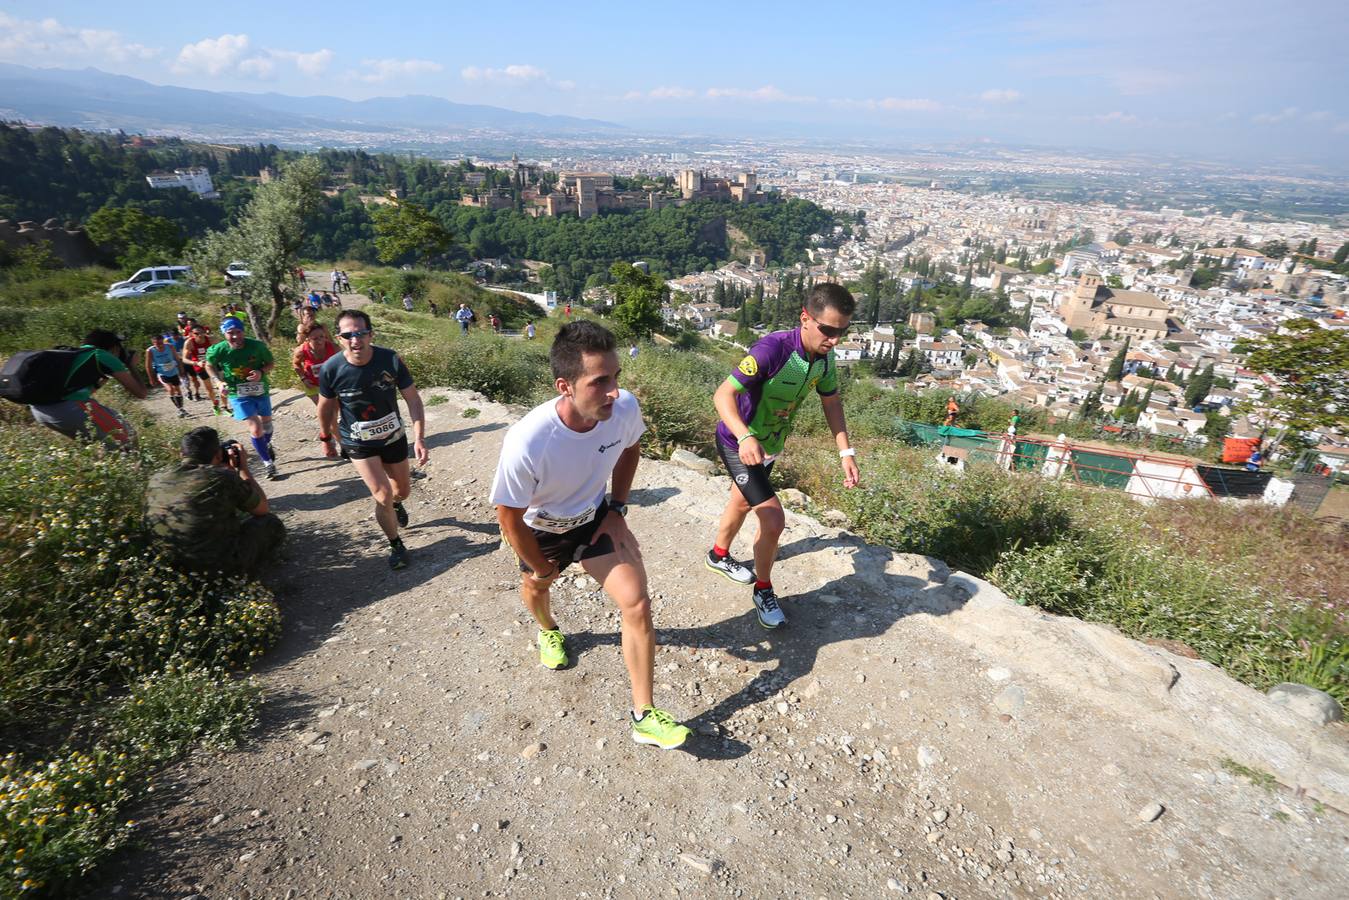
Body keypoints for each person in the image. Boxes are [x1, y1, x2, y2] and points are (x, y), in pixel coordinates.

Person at [491, 321, 692, 750]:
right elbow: (508, 517)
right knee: (537, 587)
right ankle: (548, 629)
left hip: (594, 518)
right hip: (540, 532)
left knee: (636, 602)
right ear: (565, 385)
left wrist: (618, 509)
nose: (614, 391)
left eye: (616, 376)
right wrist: (542, 566)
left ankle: (643, 716)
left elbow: (630, 448)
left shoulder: (622, 409)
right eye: (600, 381)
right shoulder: (528, 440)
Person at [706, 283, 860, 629]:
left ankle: (717, 555)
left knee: (743, 501)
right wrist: (745, 436)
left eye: (841, 332)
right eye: (828, 330)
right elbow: (723, 394)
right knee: (773, 519)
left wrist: (845, 452)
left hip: (769, 446)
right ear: (805, 318)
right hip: (738, 443)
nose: (835, 340)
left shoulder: (823, 358)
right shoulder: (772, 350)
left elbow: (831, 402)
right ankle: (764, 590)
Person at [318, 309, 429, 570]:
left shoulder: (389, 359)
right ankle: (396, 545)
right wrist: (327, 437)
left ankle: (397, 504)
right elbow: (325, 408)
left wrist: (420, 438)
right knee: (382, 493)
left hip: (393, 437)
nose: (355, 340)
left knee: (401, 491)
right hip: (358, 442)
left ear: (371, 334)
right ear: (339, 338)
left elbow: (412, 399)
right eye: (348, 335)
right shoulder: (331, 369)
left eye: (361, 333)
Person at [145, 426, 285, 577]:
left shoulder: (157, 478)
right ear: (218, 454)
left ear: (181, 454)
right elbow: (262, 509)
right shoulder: (222, 478)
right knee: (270, 522)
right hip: (218, 568)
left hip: (168, 567)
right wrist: (242, 469)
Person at [27, 329, 147, 448]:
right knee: (129, 439)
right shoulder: (101, 355)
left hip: (40, 412)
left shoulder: (77, 355)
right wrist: (131, 365)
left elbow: (82, 392)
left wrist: (102, 379)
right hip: (69, 410)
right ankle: (138, 465)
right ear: (114, 348)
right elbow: (141, 393)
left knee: (98, 448)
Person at [206, 317, 279, 479]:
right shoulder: (219, 349)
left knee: (267, 423)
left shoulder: (257, 346)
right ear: (224, 334)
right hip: (237, 393)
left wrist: (261, 372)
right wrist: (218, 382)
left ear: (243, 331)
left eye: (238, 332)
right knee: (256, 428)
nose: (235, 336)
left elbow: (270, 363)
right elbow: (209, 365)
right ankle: (268, 463)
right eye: (230, 333)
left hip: (260, 390)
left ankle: (266, 444)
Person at [292, 322, 341, 458]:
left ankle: (326, 435)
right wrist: (303, 378)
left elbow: (344, 362)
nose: (320, 341)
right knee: (329, 415)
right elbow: (296, 364)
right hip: (313, 386)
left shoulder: (334, 347)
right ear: (307, 339)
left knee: (333, 414)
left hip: (331, 386)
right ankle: (343, 445)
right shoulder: (301, 350)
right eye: (315, 338)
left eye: (322, 337)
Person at [144, 332, 189, 418]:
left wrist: (181, 370)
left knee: (178, 390)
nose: (160, 345)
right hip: (162, 373)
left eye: (161, 343)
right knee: (170, 389)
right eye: (157, 344)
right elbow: (148, 365)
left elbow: (177, 358)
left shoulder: (170, 346)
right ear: (153, 343)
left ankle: (181, 408)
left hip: (173, 371)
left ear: (163, 341)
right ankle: (179, 409)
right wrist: (151, 378)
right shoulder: (150, 351)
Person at [181, 323, 221, 414]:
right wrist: (196, 363)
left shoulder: (211, 339)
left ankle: (225, 405)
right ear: (191, 334)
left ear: (204, 332)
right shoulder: (189, 342)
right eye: (196, 333)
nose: (199, 335)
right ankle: (215, 404)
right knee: (209, 388)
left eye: (201, 332)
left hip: (212, 364)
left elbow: (223, 348)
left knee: (222, 384)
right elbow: (184, 359)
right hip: (200, 366)